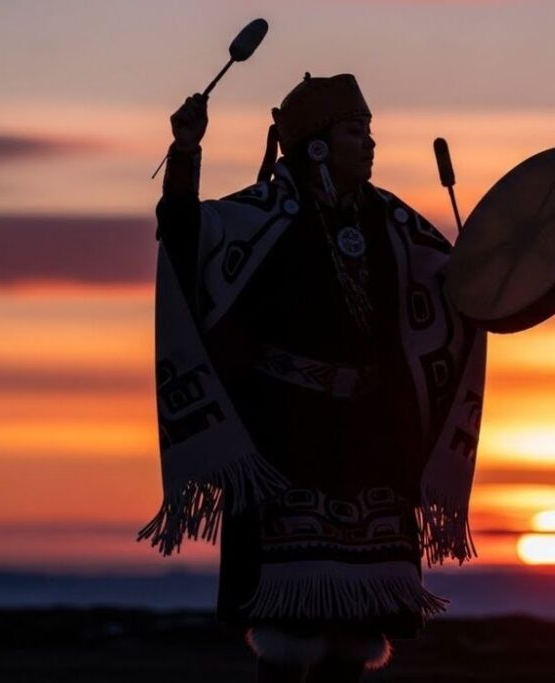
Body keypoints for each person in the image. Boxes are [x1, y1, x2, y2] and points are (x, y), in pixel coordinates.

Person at [140, 73, 487, 682]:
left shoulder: (392, 222)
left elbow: (457, 287)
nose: (370, 143)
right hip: (288, 437)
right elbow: (185, 235)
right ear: (318, 145)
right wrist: (186, 152)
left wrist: (490, 273)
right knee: (288, 632)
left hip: (373, 444)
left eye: (370, 131)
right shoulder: (263, 216)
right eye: (356, 131)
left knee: (354, 632)